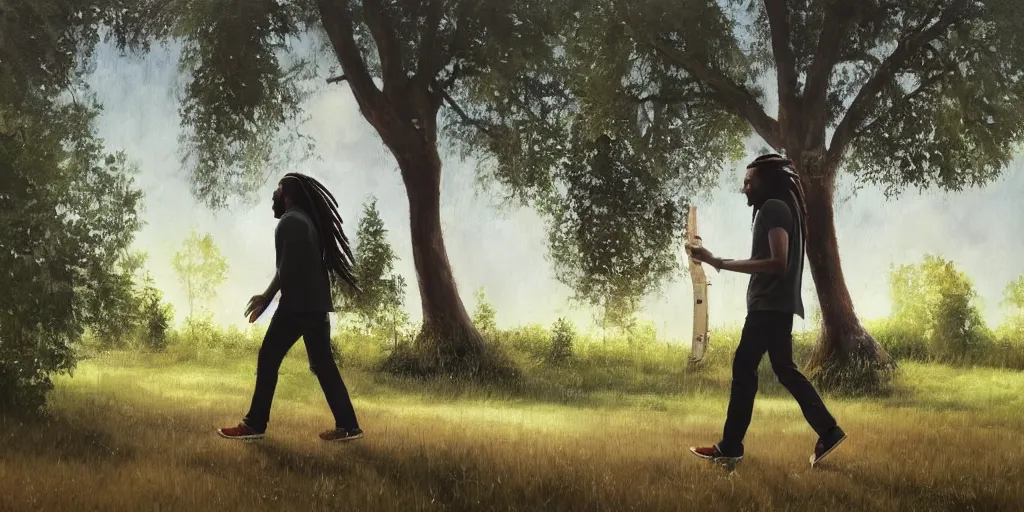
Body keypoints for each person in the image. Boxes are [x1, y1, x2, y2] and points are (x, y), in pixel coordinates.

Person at [686, 154, 846, 468]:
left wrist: (717, 262)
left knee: (744, 368)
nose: (744, 188)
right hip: (777, 305)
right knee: (784, 369)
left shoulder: (773, 209)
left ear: (765, 183)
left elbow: (777, 262)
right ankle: (828, 430)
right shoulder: (783, 210)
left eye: (749, 182)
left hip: (769, 306)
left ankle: (730, 447)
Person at [217, 173, 364, 443]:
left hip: (298, 305)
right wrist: (267, 296)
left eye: (277, 190)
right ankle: (349, 426)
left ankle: (254, 424)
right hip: (316, 305)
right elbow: (287, 265)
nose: (273, 196)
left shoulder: (290, 221)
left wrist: (267, 299)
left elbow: (285, 270)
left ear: (288, 196)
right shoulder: (305, 222)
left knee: (269, 357)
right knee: (322, 364)